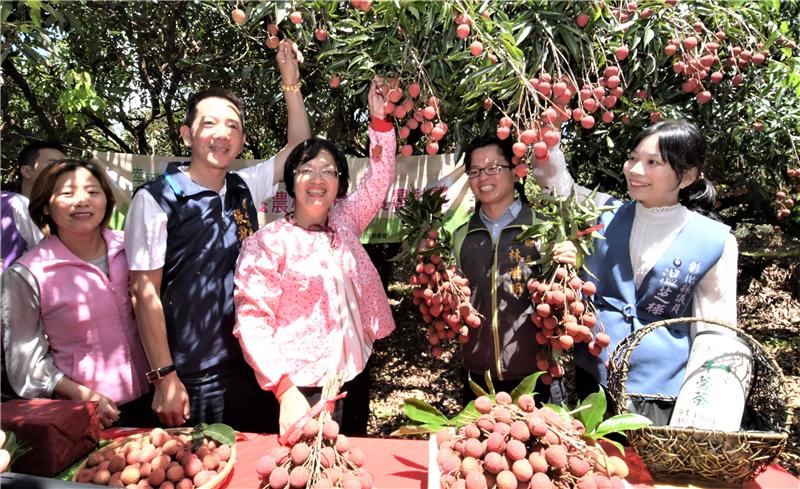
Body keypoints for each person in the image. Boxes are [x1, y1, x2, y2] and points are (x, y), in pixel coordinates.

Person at [124, 40, 310, 431]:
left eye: (233, 126)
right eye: (209, 124)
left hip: (252, 358)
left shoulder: (242, 187)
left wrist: (289, 81)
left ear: (241, 141)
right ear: (187, 134)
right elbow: (144, 294)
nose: (222, 134)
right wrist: (164, 376)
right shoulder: (157, 199)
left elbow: (299, 148)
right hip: (192, 372)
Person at [233, 77, 396, 436]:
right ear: (291, 182)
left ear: (339, 183)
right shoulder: (267, 243)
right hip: (300, 386)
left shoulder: (346, 220)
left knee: (352, 462)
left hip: (353, 371)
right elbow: (253, 321)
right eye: (307, 170)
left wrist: (380, 122)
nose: (317, 178)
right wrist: (284, 388)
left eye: (328, 171)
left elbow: (380, 178)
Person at [544, 120, 738, 420]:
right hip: (594, 379)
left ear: (686, 176)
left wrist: (705, 408)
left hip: (661, 392)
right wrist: (547, 133)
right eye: (633, 158)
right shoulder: (602, 212)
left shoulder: (714, 240)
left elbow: (716, 331)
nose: (635, 170)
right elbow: (554, 184)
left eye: (652, 163)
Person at [1, 159, 154, 428]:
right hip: (87, 411)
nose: (82, 201)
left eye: (93, 192)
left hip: (156, 397)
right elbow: (25, 360)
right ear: (46, 206)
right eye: (67, 193)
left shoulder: (131, 249)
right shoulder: (28, 273)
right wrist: (81, 395)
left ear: (106, 200)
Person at [451, 136, 576, 406]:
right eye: (474, 171)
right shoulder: (461, 237)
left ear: (516, 172)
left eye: (493, 167)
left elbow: (568, 302)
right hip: (478, 380)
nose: (483, 177)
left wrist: (571, 267)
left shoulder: (545, 230)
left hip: (538, 377)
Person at [1, 142, 67, 270]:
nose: (63, 169)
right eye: (53, 163)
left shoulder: (63, 217)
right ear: (27, 171)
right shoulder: (12, 203)